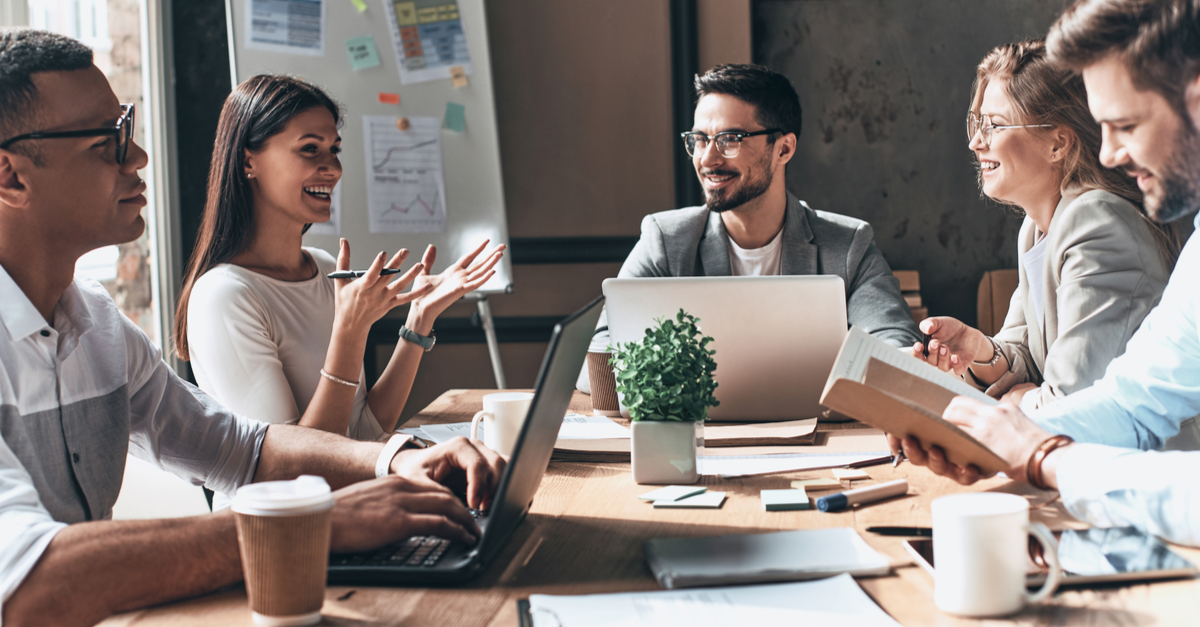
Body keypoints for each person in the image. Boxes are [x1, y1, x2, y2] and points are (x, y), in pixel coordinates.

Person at [0, 29, 504, 627]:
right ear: (10, 177)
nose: (137, 157)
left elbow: (242, 448)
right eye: (106, 142)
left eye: (128, 128)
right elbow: (29, 584)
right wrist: (319, 525)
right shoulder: (221, 292)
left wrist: (396, 460)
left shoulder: (96, 322)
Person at [895, 0, 1200, 547]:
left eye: (1126, 124)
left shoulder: (1093, 215)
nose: (1109, 153)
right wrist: (992, 437)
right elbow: (1132, 401)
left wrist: (1034, 448)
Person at [175, 75, 502, 458]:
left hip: (356, 503)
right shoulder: (224, 296)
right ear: (249, 161)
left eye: (335, 149)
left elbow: (362, 433)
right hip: (290, 519)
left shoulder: (325, 267)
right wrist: (350, 330)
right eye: (310, 149)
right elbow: (295, 468)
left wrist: (419, 320)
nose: (332, 168)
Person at [580, 63, 921, 391]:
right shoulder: (666, 241)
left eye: (729, 139)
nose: (707, 159)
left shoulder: (847, 245)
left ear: (783, 148)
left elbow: (897, 345)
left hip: (818, 441)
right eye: (700, 139)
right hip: (700, 441)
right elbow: (598, 357)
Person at [913, 40, 1181, 413]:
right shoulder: (1037, 228)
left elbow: (1072, 401)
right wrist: (979, 349)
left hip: (1140, 464)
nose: (976, 142)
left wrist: (1022, 399)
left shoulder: (1096, 224)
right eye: (978, 124)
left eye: (995, 126)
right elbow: (1025, 351)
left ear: (1058, 143)